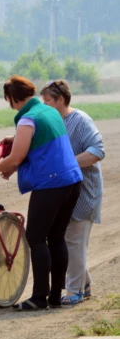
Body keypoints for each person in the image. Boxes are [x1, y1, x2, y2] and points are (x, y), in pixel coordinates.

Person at [0, 76, 82, 311]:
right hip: (72, 182)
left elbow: (16, 157)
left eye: (10, 101)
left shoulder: (27, 119)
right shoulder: (48, 111)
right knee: (56, 238)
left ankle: (38, 297)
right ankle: (55, 296)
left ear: (13, 98)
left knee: (35, 237)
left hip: (51, 184)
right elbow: (38, 140)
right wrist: (14, 142)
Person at [40, 80, 105, 305]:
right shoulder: (51, 122)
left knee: (73, 240)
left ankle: (75, 291)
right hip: (62, 192)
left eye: (48, 100)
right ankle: (83, 284)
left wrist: (67, 164)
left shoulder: (80, 121)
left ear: (61, 99)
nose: (44, 104)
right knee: (67, 239)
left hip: (84, 191)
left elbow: (97, 151)